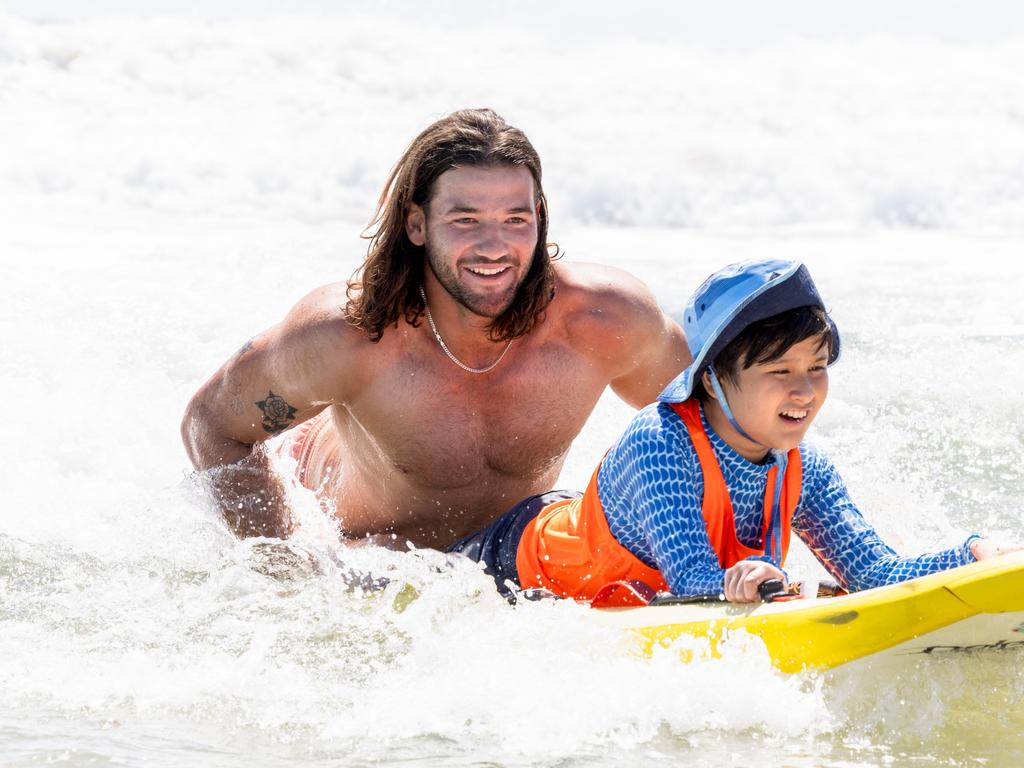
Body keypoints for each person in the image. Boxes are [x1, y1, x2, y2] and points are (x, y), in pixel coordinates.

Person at [181, 108, 688, 548]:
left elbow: (719, 426)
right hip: (362, 550)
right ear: (417, 225)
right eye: (465, 220)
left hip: (509, 550)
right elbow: (211, 426)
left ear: (539, 216)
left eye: (515, 220)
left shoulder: (605, 321)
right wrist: (286, 565)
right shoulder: (348, 336)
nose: (494, 246)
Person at [451, 258, 1018, 602]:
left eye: (817, 368)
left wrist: (976, 557)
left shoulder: (806, 468)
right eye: (780, 372)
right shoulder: (661, 443)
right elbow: (695, 582)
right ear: (715, 377)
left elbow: (875, 573)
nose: (804, 391)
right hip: (506, 567)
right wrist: (739, 581)